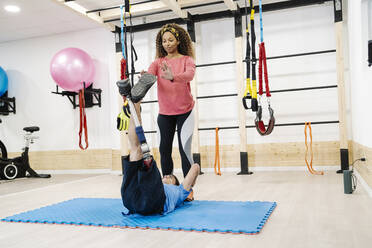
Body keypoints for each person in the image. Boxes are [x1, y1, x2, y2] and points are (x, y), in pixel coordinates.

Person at [119, 80, 200, 215]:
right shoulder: (180, 190)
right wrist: (192, 182)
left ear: (174, 184)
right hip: (137, 199)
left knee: (139, 152)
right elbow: (195, 167)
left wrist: (188, 190)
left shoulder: (180, 193)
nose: (167, 176)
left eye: (169, 177)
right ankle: (134, 101)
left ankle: (134, 101)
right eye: (169, 176)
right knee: (135, 149)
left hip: (147, 201)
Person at [143, 23, 197, 200]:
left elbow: (189, 75)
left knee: (184, 150)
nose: (167, 43)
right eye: (164, 41)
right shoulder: (158, 62)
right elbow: (150, 77)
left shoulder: (187, 60)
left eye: (170, 40)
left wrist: (173, 76)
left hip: (185, 112)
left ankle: (188, 189)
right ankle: (167, 186)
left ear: (178, 40)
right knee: (164, 150)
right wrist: (145, 77)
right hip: (165, 113)